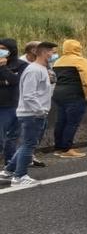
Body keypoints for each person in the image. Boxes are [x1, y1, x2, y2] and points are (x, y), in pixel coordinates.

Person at [0, 42, 56, 185]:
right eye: (51, 52)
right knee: (29, 145)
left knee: (26, 144)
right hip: (32, 114)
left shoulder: (41, 69)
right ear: (43, 53)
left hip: (32, 113)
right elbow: (29, 95)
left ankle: (8, 171)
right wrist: (40, 110)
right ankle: (20, 176)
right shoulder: (34, 70)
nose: (53, 55)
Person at [50, 38, 87, 159]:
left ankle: (58, 147)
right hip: (75, 94)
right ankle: (67, 148)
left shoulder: (58, 61)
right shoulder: (81, 61)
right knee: (72, 122)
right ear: (77, 48)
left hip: (58, 93)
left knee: (61, 121)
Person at [0, 37, 29, 167]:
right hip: (2, 107)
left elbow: (17, 81)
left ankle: (9, 166)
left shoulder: (21, 65)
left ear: (12, 50)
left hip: (15, 105)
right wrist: (6, 82)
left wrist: (3, 69)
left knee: (12, 138)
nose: (1, 52)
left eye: (3, 49)